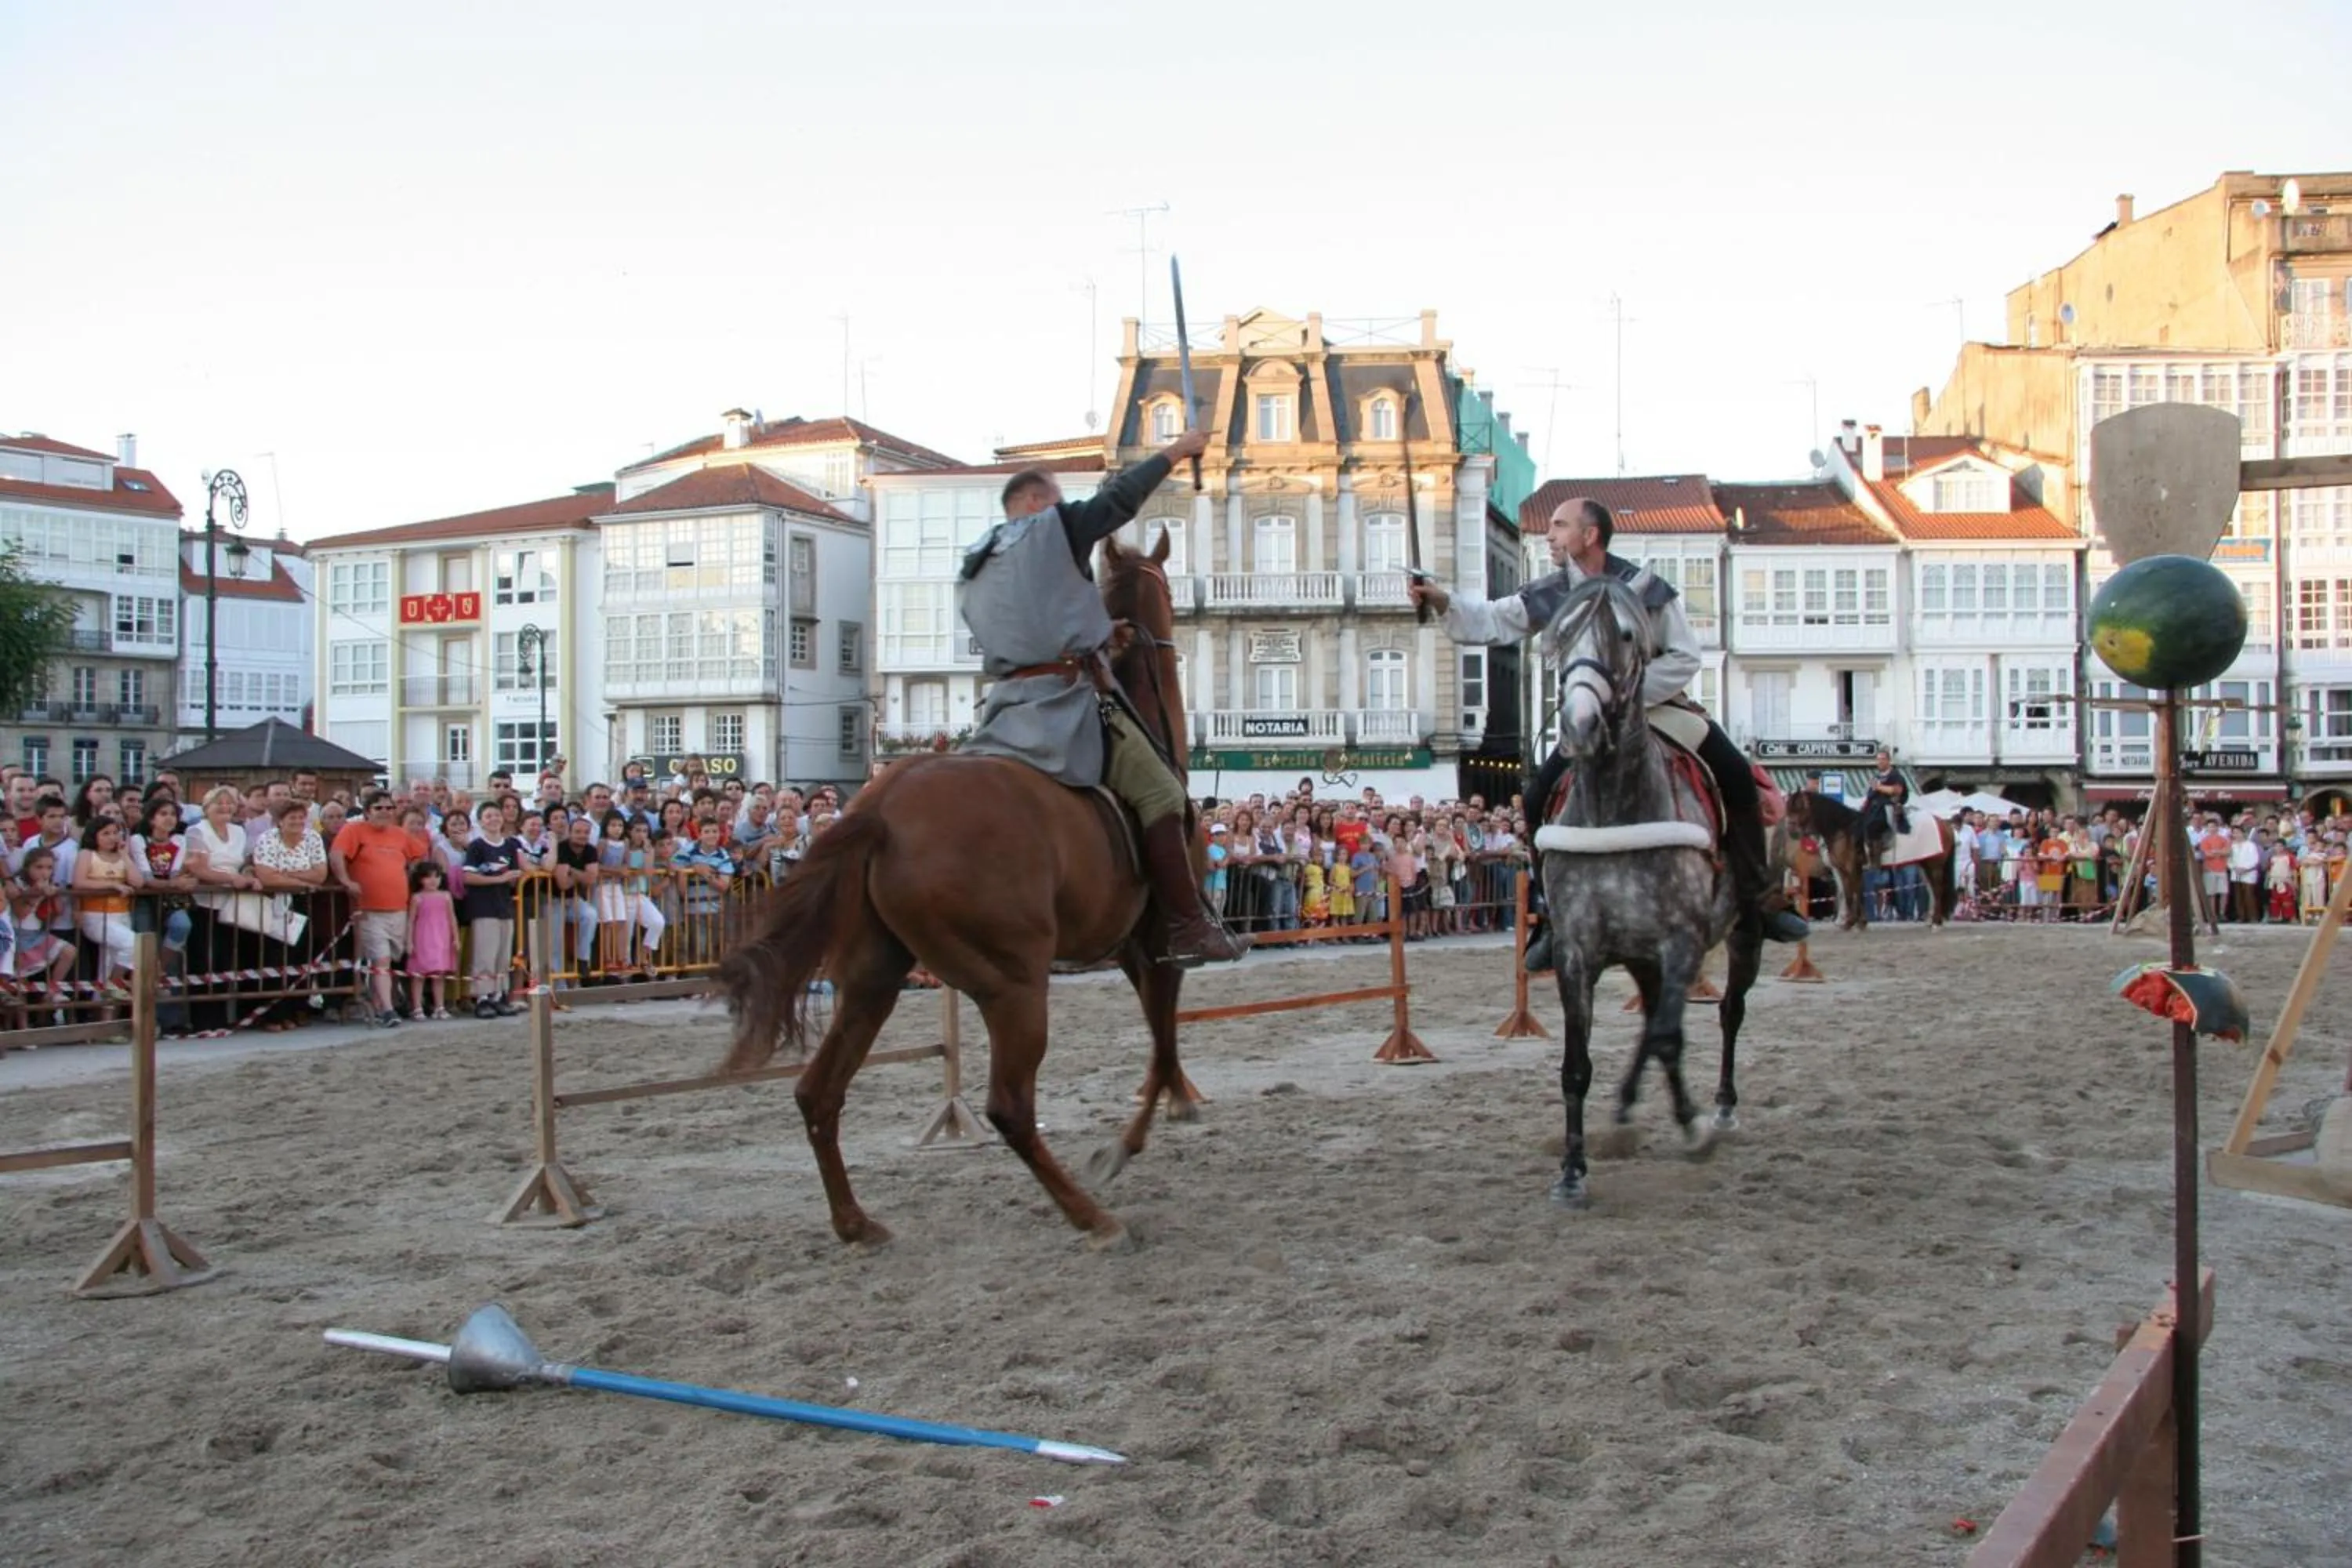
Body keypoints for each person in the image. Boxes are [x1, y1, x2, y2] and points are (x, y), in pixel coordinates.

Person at [1410, 495, 1806, 969]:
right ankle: (1553, 917)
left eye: (1559, 527)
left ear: (1590, 535)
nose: (1550, 537)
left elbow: (1684, 657)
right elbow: (1495, 619)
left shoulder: (1646, 588)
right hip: (1586, 722)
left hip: (1657, 710)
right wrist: (1443, 600)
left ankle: (1760, 899)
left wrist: (1625, 698)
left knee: (1736, 776)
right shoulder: (1554, 591)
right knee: (1537, 797)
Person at [964, 427, 1246, 965]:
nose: (1065, 508)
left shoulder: (979, 559)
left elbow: (1031, 623)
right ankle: (1188, 926)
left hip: (1002, 712)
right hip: (1061, 705)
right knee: (1164, 792)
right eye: (1054, 498)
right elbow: (1116, 501)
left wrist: (1095, 633)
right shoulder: (1051, 529)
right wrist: (1176, 452)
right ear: (1031, 502)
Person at [332, 789, 426, 1028]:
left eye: (389, 808)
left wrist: (410, 874)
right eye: (379, 808)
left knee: (393, 958)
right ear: (367, 811)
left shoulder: (399, 834)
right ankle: (387, 1009)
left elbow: (420, 853)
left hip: (398, 907)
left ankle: (381, 1001)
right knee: (381, 959)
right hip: (369, 908)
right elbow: (337, 855)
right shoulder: (354, 830)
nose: (385, 812)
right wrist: (346, 881)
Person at [405, 861, 459, 1019]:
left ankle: (440, 1006)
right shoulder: (417, 898)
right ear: (420, 879)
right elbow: (411, 921)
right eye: (428, 877)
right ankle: (417, 1007)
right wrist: (409, 941)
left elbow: (452, 918)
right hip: (422, 938)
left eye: (436, 877)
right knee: (418, 974)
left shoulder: (446, 896)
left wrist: (456, 938)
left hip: (442, 939)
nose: (433, 880)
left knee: (439, 974)